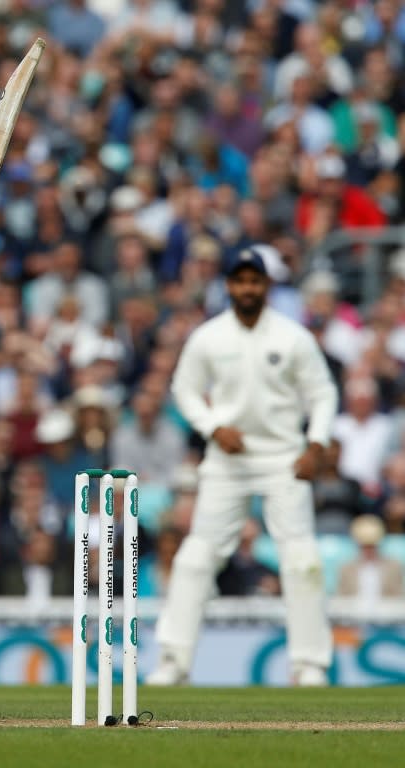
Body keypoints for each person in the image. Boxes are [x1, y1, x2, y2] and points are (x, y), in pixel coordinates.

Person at [146, 246, 338, 687]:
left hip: (284, 457)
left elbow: (323, 394)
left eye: (255, 280)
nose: (247, 288)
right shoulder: (209, 337)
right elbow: (185, 389)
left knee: (301, 559)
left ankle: (309, 664)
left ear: (267, 285)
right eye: (240, 280)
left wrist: (316, 444)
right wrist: (214, 427)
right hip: (228, 460)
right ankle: (174, 661)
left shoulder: (293, 337)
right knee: (196, 558)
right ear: (229, 285)